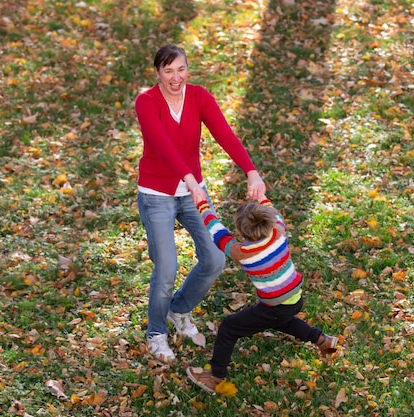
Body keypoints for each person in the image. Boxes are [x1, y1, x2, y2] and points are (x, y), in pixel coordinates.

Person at [134, 43, 266, 362]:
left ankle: (178, 311)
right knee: (166, 268)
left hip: (193, 194)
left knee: (214, 260)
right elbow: (162, 145)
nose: (176, 77)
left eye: (181, 69)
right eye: (168, 71)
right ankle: (156, 333)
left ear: (187, 69)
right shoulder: (147, 102)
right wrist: (189, 178)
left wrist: (251, 171)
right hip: (157, 195)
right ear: (157, 73)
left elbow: (224, 134)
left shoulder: (199, 97)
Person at [186, 196, 339, 394]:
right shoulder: (279, 232)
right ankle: (322, 340)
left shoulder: (242, 253)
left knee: (229, 328)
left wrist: (203, 206)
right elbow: (276, 213)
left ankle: (215, 377)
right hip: (294, 297)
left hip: (275, 305)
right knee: (281, 320)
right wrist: (262, 198)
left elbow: (218, 233)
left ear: (241, 232)